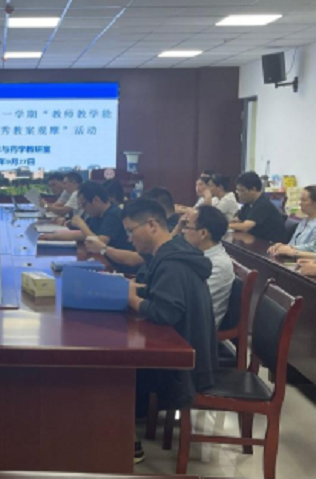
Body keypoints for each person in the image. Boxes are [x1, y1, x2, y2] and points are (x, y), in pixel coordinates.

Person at [124, 198, 218, 462]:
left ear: (151, 225)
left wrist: (131, 299)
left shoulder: (172, 263)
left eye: (131, 231)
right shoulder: (170, 252)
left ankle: (124, 440)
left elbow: (165, 312)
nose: (129, 238)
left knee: (113, 369)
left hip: (183, 365)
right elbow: (151, 288)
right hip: (183, 348)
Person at [179, 206, 234, 327]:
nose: (183, 231)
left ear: (203, 233)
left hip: (196, 327)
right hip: (182, 317)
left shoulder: (218, 264)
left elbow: (189, 300)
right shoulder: (196, 253)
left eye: (187, 226)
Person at [40, 182, 129, 251]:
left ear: (96, 200)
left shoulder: (113, 214)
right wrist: (52, 237)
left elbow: (99, 243)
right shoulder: (97, 214)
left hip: (116, 264)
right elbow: (83, 235)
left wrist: (81, 224)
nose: (83, 209)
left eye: (84, 204)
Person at [230, 172, 286, 243]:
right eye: (238, 190)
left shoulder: (262, 204)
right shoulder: (248, 202)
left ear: (253, 189)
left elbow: (245, 227)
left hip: (270, 244)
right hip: (256, 240)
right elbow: (237, 219)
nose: (239, 194)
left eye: (242, 190)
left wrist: (226, 226)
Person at [268, 186, 316, 259]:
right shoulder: (304, 221)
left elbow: (313, 248)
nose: (300, 203)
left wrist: (291, 249)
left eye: (304, 200)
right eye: (300, 200)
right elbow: (292, 243)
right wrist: (281, 247)